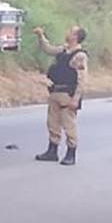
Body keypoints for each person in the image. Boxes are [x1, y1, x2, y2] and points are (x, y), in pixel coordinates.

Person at [34, 26, 88, 166]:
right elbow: (48, 49)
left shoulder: (79, 55)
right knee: (53, 123)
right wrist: (41, 36)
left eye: (71, 31)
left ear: (76, 36)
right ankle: (52, 151)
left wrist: (76, 99)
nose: (67, 33)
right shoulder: (63, 50)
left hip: (67, 94)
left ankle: (71, 153)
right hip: (55, 91)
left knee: (69, 125)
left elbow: (81, 79)